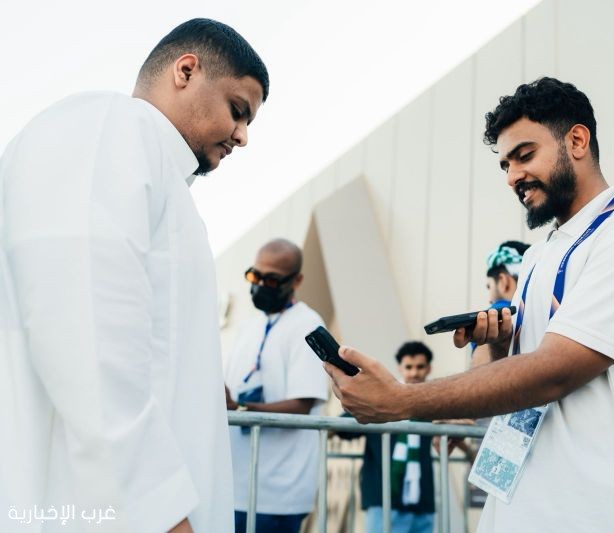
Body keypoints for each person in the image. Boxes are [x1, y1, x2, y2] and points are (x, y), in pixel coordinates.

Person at [324, 77, 614, 532]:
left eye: (525, 155)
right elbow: (502, 374)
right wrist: (494, 346)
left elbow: (555, 370)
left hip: (602, 516)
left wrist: (403, 400)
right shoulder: (537, 255)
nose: (513, 176)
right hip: (518, 506)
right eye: (505, 165)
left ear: (577, 141)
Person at [0, 18, 268, 533]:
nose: (243, 136)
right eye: (238, 110)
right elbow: (85, 344)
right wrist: (162, 516)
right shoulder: (109, 129)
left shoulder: (151, 165)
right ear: (186, 71)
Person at [224, 239, 329, 533]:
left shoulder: (308, 324)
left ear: (297, 281)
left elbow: (303, 404)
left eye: (271, 280)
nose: (260, 285)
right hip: (235, 487)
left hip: (277, 493)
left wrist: (240, 408)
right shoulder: (248, 326)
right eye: (254, 276)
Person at [334, 341, 436, 533]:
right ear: (400, 368)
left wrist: (470, 453)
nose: (414, 373)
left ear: (428, 368)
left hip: (422, 502)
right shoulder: (380, 400)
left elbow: (453, 431)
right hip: (383, 499)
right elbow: (338, 427)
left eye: (420, 367)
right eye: (409, 367)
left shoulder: (434, 403)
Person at [472, 240, 530, 367]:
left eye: (489, 287)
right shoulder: (545, 313)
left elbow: (482, 375)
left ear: (503, 282)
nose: (489, 300)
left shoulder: (497, 314)